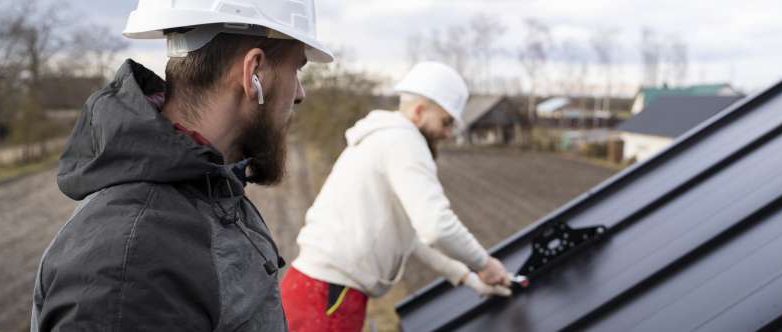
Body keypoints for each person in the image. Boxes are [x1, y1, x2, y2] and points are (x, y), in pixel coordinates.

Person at [30, 0, 333, 330]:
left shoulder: (210, 191)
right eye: (297, 69)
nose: (300, 93)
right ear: (254, 72)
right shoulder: (133, 262)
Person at [281, 62, 512, 332]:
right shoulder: (405, 142)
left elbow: (413, 237)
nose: (448, 133)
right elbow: (436, 226)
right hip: (328, 296)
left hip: (319, 290)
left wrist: (468, 277)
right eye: (446, 122)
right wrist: (485, 265)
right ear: (419, 111)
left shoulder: (386, 139)